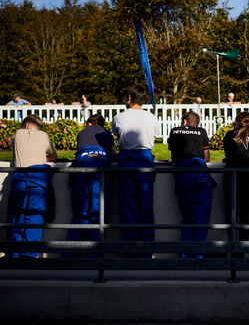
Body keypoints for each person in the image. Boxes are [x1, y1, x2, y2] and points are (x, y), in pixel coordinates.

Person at [112, 85, 159, 247]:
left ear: (130, 99)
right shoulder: (151, 117)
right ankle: (146, 246)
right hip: (145, 159)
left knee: (128, 205)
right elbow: (153, 138)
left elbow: (117, 136)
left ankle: (130, 246)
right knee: (146, 205)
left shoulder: (119, 117)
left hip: (126, 159)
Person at [7, 114, 57, 258]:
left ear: (26, 125)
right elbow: (54, 156)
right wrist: (42, 158)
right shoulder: (45, 135)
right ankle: (30, 254)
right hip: (38, 179)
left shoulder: (17, 133)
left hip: (20, 179)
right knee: (35, 216)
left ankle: (15, 253)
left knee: (18, 216)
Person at [168, 111, 215, 258]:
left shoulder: (175, 131)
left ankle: (186, 253)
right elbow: (206, 157)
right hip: (200, 173)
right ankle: (199, 253)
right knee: (201, 216)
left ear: (184, 122)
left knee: (187, 215)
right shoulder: (201, 131)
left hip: (183, 174)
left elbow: (173, 156)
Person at [66, 114, 116, 246]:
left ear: (89, 123)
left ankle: (70, 252)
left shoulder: (81, 132)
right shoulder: (106, 133)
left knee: (80, 212)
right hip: (99, 173)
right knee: (97, 214)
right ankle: (95, 253)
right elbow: (113, 154)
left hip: (81, 171)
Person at [223, 112, 249, 242]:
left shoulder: (229, 135)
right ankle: (243, 244)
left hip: (233, 175)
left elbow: (228, 156)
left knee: (231, 212)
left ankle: (233, 244)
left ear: (237, 121)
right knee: (247, 213)